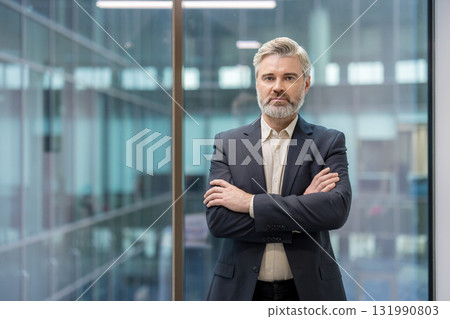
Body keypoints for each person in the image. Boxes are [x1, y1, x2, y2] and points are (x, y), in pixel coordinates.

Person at [203, 37, 351, 301]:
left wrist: (249, 204)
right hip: (239, 292)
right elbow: (219, 221)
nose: (278, 87)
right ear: (257, 84)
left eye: (289, 78)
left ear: (306, 84)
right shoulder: (227, 142)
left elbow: (335, 211)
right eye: (269, 78)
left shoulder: (329, 142)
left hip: (308, 292)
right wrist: (302, 212)